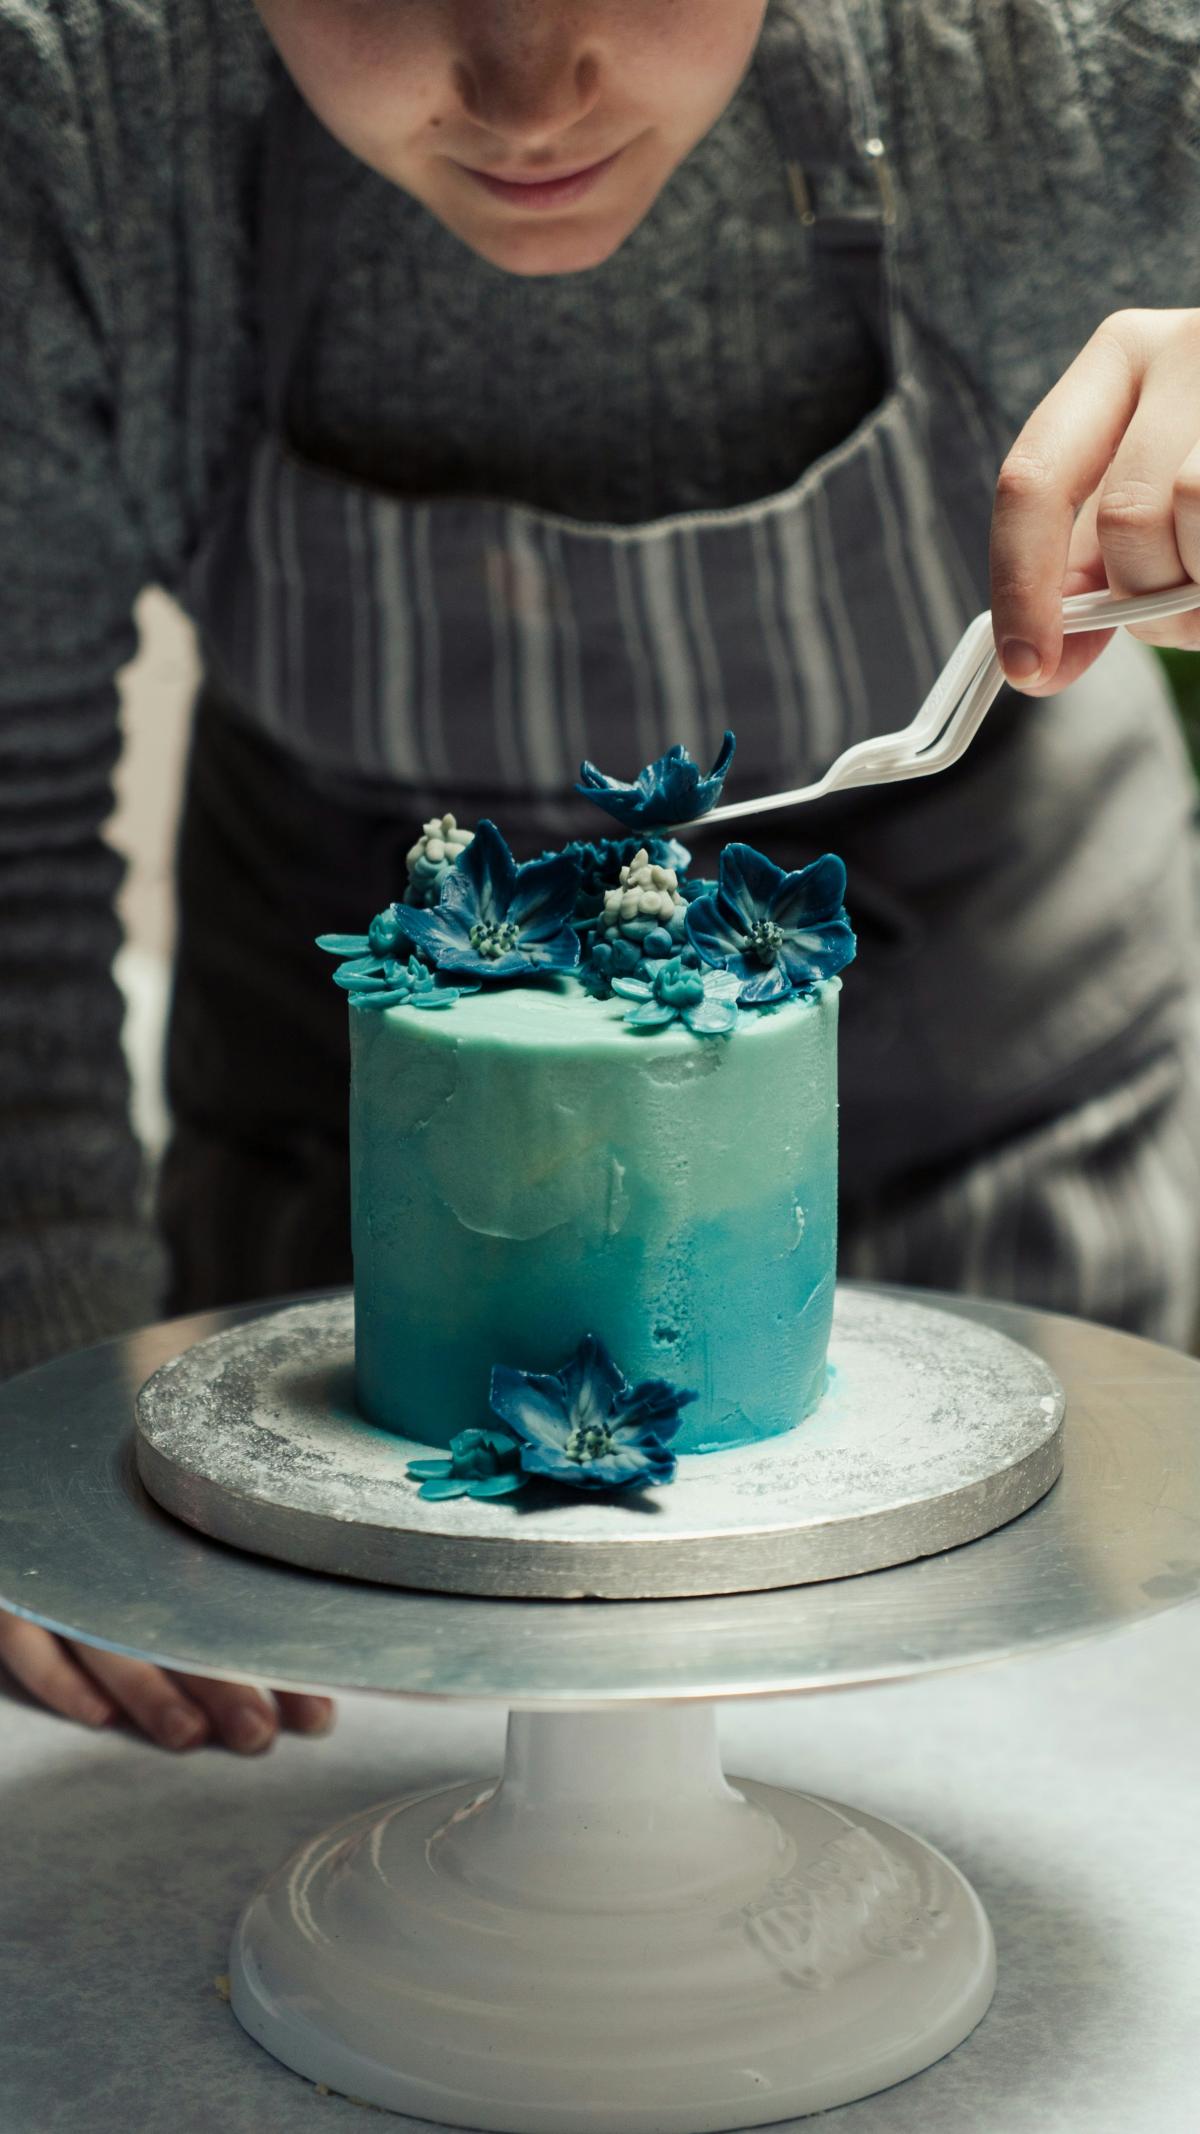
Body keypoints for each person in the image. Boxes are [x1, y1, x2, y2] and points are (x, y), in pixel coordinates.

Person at [2, 0, 1198, 1749]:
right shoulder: (73, 103)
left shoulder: (1083, 51)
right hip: (335, 1246)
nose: (524, 89)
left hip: (1013, 1151)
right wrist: (38, 1397)